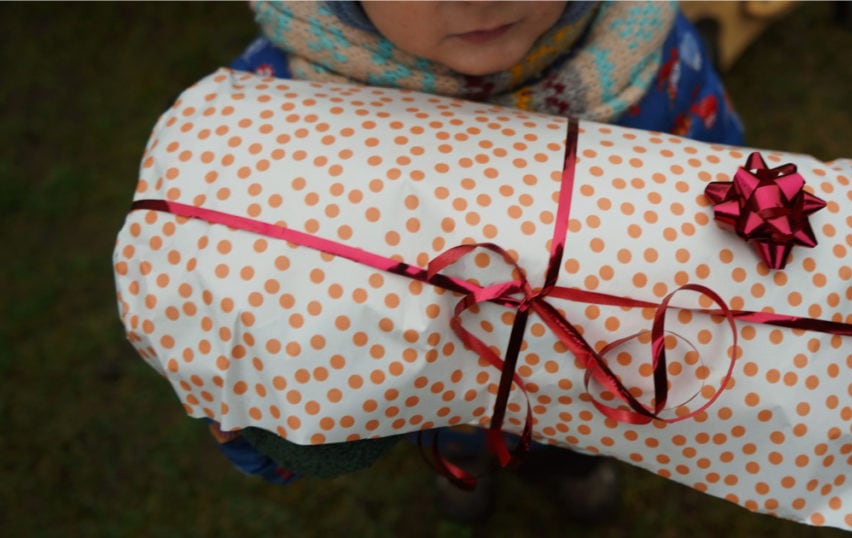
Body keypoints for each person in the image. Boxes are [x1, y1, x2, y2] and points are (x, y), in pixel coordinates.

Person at [209, 0, 744, 525]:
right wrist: (267, 426)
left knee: (575, 439)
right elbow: (250, 299)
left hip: (592, 378)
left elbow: (722, 195)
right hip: (433, 398)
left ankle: (573, 465)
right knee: (453, 435)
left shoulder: (654, 55)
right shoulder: (274, 105)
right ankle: (461, 467)